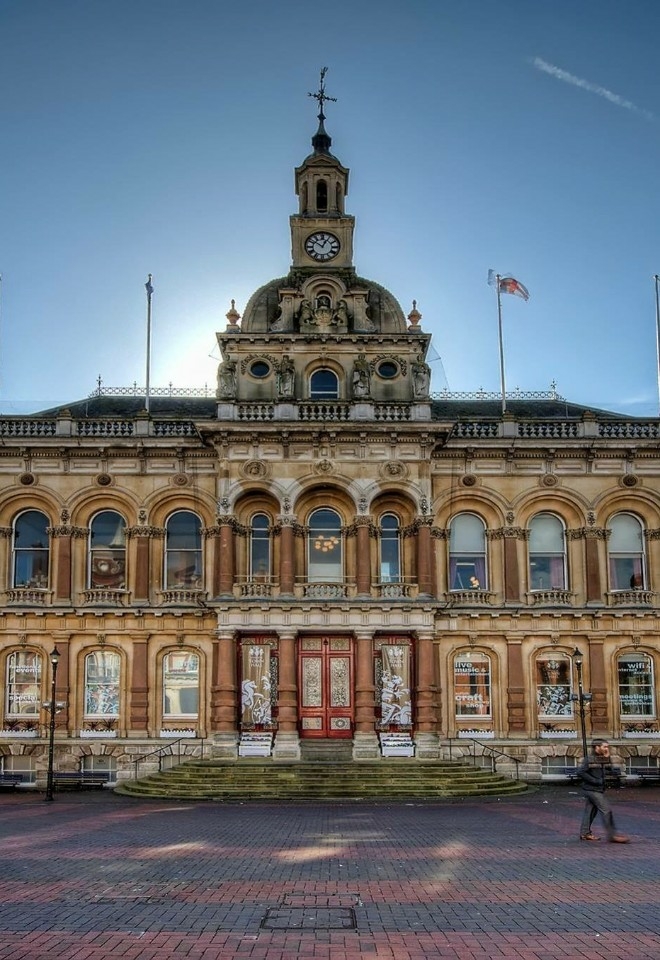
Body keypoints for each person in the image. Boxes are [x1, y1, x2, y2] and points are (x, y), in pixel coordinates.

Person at [576, 739, 630, 843]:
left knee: (590, 812)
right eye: (604, 747)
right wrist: (596, 781)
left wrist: (608, 757)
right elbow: (581, 772)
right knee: (606, 810)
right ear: (597, 747)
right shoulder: (590, 759)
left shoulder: (601, 758)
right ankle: (612, 835)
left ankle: (585, 833)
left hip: (597, 789)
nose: (606, 749)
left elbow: (609, 770)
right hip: (592, 790)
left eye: (607, 747)